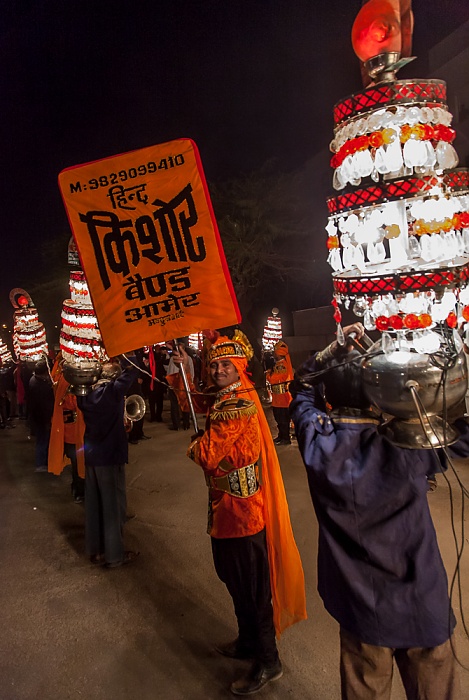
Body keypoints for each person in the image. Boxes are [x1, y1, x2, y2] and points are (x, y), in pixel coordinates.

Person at [290, 322, 469, 700]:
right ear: (378, 397)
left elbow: (300, 387)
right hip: (423, 603)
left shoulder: (315, 442)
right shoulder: (411, 443)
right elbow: (463, 434)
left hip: (361, 609)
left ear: (329, 396)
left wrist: (328, 353)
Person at [185, 332, 306, 696]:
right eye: (215, 364)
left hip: (243, 514)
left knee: (253, 591)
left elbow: (207, 455)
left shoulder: (236, 405)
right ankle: (247, 642)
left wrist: (194, 446)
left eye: (227, 365)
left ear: (239, 369)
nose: (219, 369)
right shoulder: (228, 399)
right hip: (226, 509)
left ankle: (268, 661)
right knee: (234, 580)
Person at [77, 355, 140, 568]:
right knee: (112, 508)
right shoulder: (111, 393)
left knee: (94, 505)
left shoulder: (85, 395)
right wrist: (128, 354)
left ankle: (95, 551)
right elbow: (133, 370)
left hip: (92, 456)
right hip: (110, 455)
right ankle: (114, 556)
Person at [48, 354, 86, 503]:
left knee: (81, 462)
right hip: (72, 430)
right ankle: (79, 490)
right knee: (78, 462)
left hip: (79, 429)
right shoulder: (65, 381)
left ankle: (79, 487)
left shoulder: (64, 378)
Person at [265, 340, 294, 445]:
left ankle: (285, 438)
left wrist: (268, 374)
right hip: (278, 397)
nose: (273, 353)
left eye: (275, 351)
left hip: (281, 397)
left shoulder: (281, 366)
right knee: (279, 417)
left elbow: (274, 379)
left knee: (282, 418)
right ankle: (281, 436)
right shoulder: (279, 364)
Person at [28, 359, 54, 472]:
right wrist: (47, 420)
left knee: (42, 439)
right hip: (42, 418)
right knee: (43, 440)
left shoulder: (34, 380)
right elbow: (43, 405)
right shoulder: (39, 385)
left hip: (38, 417)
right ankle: (41, 464)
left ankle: (43, 462)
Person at [166, 342, 195, 430]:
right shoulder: (173, 359)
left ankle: (185, 424)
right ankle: (177, 424)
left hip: (184, 385)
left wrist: (190, 382)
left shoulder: (188, 359)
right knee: (175, 405)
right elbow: (170, 372)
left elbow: (191, 371)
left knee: (185, 405)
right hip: (175, 385)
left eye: (181, 348)